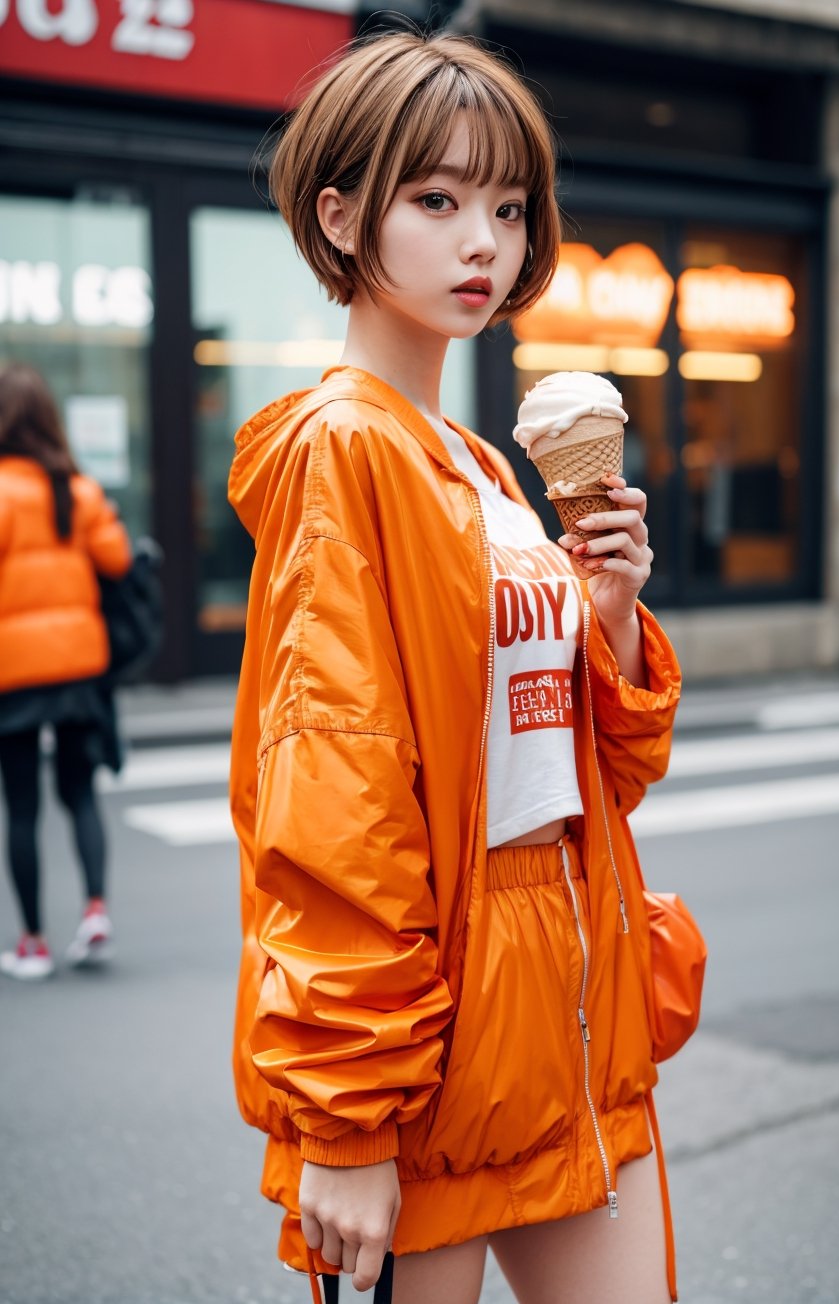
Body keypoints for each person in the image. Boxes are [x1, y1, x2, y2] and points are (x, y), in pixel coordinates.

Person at [228, 31, 682, 1304]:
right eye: (435, 199)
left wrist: (609, 614)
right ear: (341, 214)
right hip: (430, 1037)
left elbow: (602, 773)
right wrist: (350, 1118)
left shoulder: (483, 468)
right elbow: (336, 799)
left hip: (575, 1016)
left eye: (507, 204)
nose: (483, 238)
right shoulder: (342, 453)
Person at [0, 363, 131, 980]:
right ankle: (96, 909)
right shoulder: (76, 490)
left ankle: (33, 943)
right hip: (80, 665)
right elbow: (119, 557)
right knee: (80, 791)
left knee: (21, 806)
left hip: (15, 673)